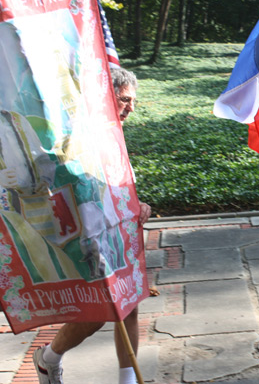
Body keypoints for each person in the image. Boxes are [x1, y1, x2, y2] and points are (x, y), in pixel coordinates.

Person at [32, 68, 152, 384]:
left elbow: (119, 184)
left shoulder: (115, 134)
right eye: (124, 99)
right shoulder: (73, 133)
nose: (130, 108)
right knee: (100, 311)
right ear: (103, 96)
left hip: (120, 233)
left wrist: (138, 204)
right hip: (86, 237)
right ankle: (48, 358)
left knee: (129, 304)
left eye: (133, 102)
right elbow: (48, 178)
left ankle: (127, 380)